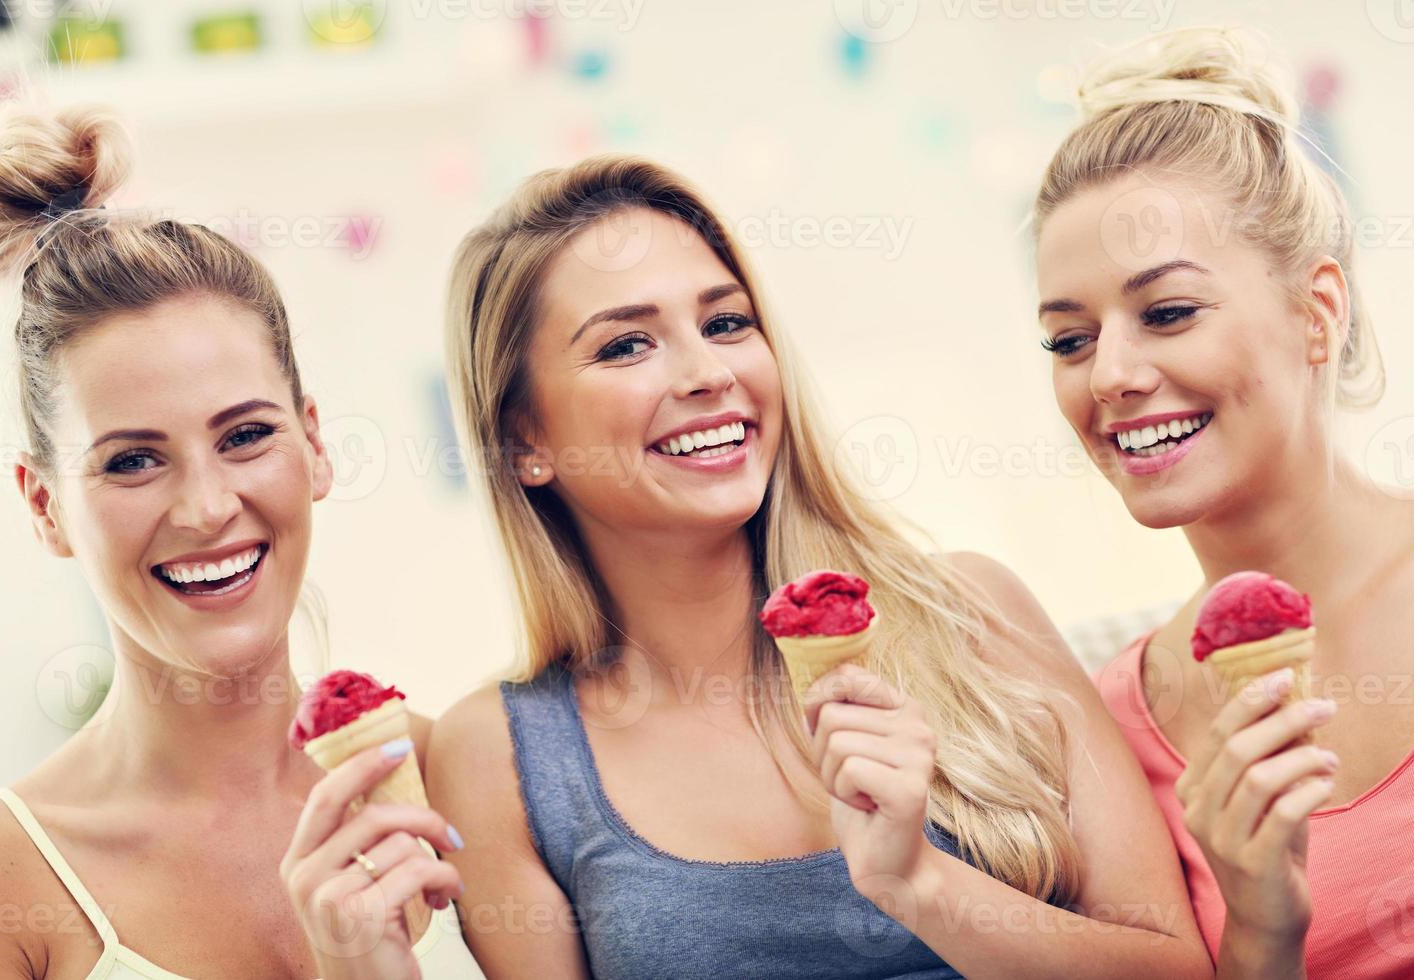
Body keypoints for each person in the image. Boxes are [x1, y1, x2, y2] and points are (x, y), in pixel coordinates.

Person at [426, 155, 1213, 978]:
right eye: (627, 345)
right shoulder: (497, 755)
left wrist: (921, 887)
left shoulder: (972, 611)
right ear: (524, 441)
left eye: (727, 323)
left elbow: (1179, 970)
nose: (708, 373)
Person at [0, 104, 479, 980]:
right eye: (132, 460)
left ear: (314, 445)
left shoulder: (461, 772)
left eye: (244, 436)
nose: (205, 507)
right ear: (43, 506)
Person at [1034, 26, 1414, 979]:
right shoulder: (1114, 729)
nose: (1110, 375)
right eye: (1069, 341)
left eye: (1167, 313)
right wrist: (1262, 931)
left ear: (1316, 313)